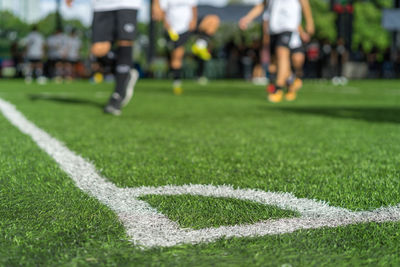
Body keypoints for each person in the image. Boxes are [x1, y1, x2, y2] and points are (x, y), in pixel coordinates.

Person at [66, 0, 140, 116]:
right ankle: (126, 73)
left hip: (127, 4)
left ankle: (117, 96)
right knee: (97, 50)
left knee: (125, 43)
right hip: (101, 5)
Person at [240, 0, 314, 103]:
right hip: (274, 27)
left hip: (288, 24)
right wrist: (247, 18)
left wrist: (310, 22)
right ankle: (290, 80)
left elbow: (304, 3)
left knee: (282, 54)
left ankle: (277, 89)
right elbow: (262, 5)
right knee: (278, 60)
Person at [154, 0, 220, 94]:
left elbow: (193, 7)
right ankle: (177, 83)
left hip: (189, 25)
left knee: (213, 20)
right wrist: (166, 24)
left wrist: (193, 19)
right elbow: (162, 11)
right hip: (175, 29)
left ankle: (200, 44)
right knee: (177, 56)